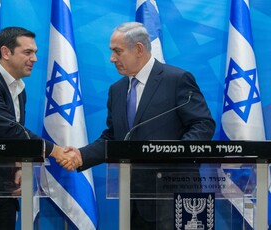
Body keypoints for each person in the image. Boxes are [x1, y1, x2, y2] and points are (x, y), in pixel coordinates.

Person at [62, 22, 215, 229]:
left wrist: (174, 154)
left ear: (139, 49)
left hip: (177, 195)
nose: (112, 58)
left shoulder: (177, 79)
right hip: (135, 198)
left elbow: (202, 124)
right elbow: (114, 137)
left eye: (118, 51)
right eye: (111, 52)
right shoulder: (117, 90)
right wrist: (82, 155)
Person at [0, 26, 81, 230]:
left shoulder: (18, 88)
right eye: (28, 52)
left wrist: (19, 165)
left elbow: (8, 136)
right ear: (6, 52)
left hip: (3, 186)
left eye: (35, 53)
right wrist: (57, 152)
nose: (35, 59)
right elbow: (11, 130)